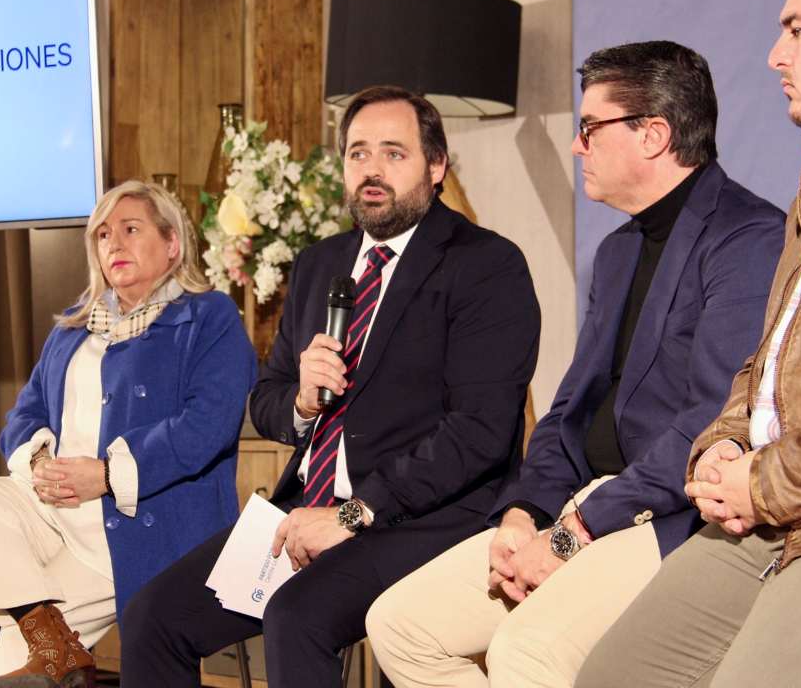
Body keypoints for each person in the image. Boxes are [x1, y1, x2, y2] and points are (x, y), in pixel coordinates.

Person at [364, 42, 785, 687]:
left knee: (525, 655)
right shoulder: (617, 252)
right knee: (399, 625)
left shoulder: (748, 238)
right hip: (579, 505)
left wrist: (574, 532)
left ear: (654, 134)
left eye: (589, 128)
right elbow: (568, 409)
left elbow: (710, 426)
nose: (577, 146)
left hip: (670, 515)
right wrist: (525, 513)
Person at [119, 85, 541, 688]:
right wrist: (301, 400)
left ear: (437, 166)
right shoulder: (321, 263)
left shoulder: (485, 265)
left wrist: (352, 513)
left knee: (297, 618)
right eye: (358, 153)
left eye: (394, 154)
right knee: (152, 620)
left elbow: (479, 433)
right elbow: (265, 401)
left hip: (423, 516)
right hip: (307, 508)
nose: (372, 170)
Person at [576, 0, 801, 688]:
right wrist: (722, 441)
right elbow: (768, 361)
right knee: (611, 677)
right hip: (776, 513)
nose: (775, 55)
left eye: (798, 30)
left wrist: (765, 479)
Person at [0, 180, 256, 687]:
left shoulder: (208, 316)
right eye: (103, 234)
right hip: (51, 511)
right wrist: (41, 463)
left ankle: (49, 650)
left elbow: (206, 428)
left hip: (129, 533)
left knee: (8, 680)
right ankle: (54, 643)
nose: (114, 244)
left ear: (172, 244)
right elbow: (23, 416)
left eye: (131, 229)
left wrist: (107, 476)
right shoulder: (72, 329)